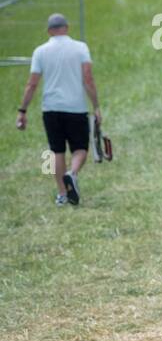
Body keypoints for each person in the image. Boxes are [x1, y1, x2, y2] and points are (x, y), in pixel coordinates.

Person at [16, 13, 100, 206]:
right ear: (67, 28)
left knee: (57, 151)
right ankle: (73, 173)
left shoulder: (40, 51)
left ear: (48, 31)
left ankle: (62, 194)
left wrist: (23, 110)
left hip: (51, 108)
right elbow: (88, 78)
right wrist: (95, 105)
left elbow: (32, 84)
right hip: (76, 107)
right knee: (80, 149)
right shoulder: (81, 48)